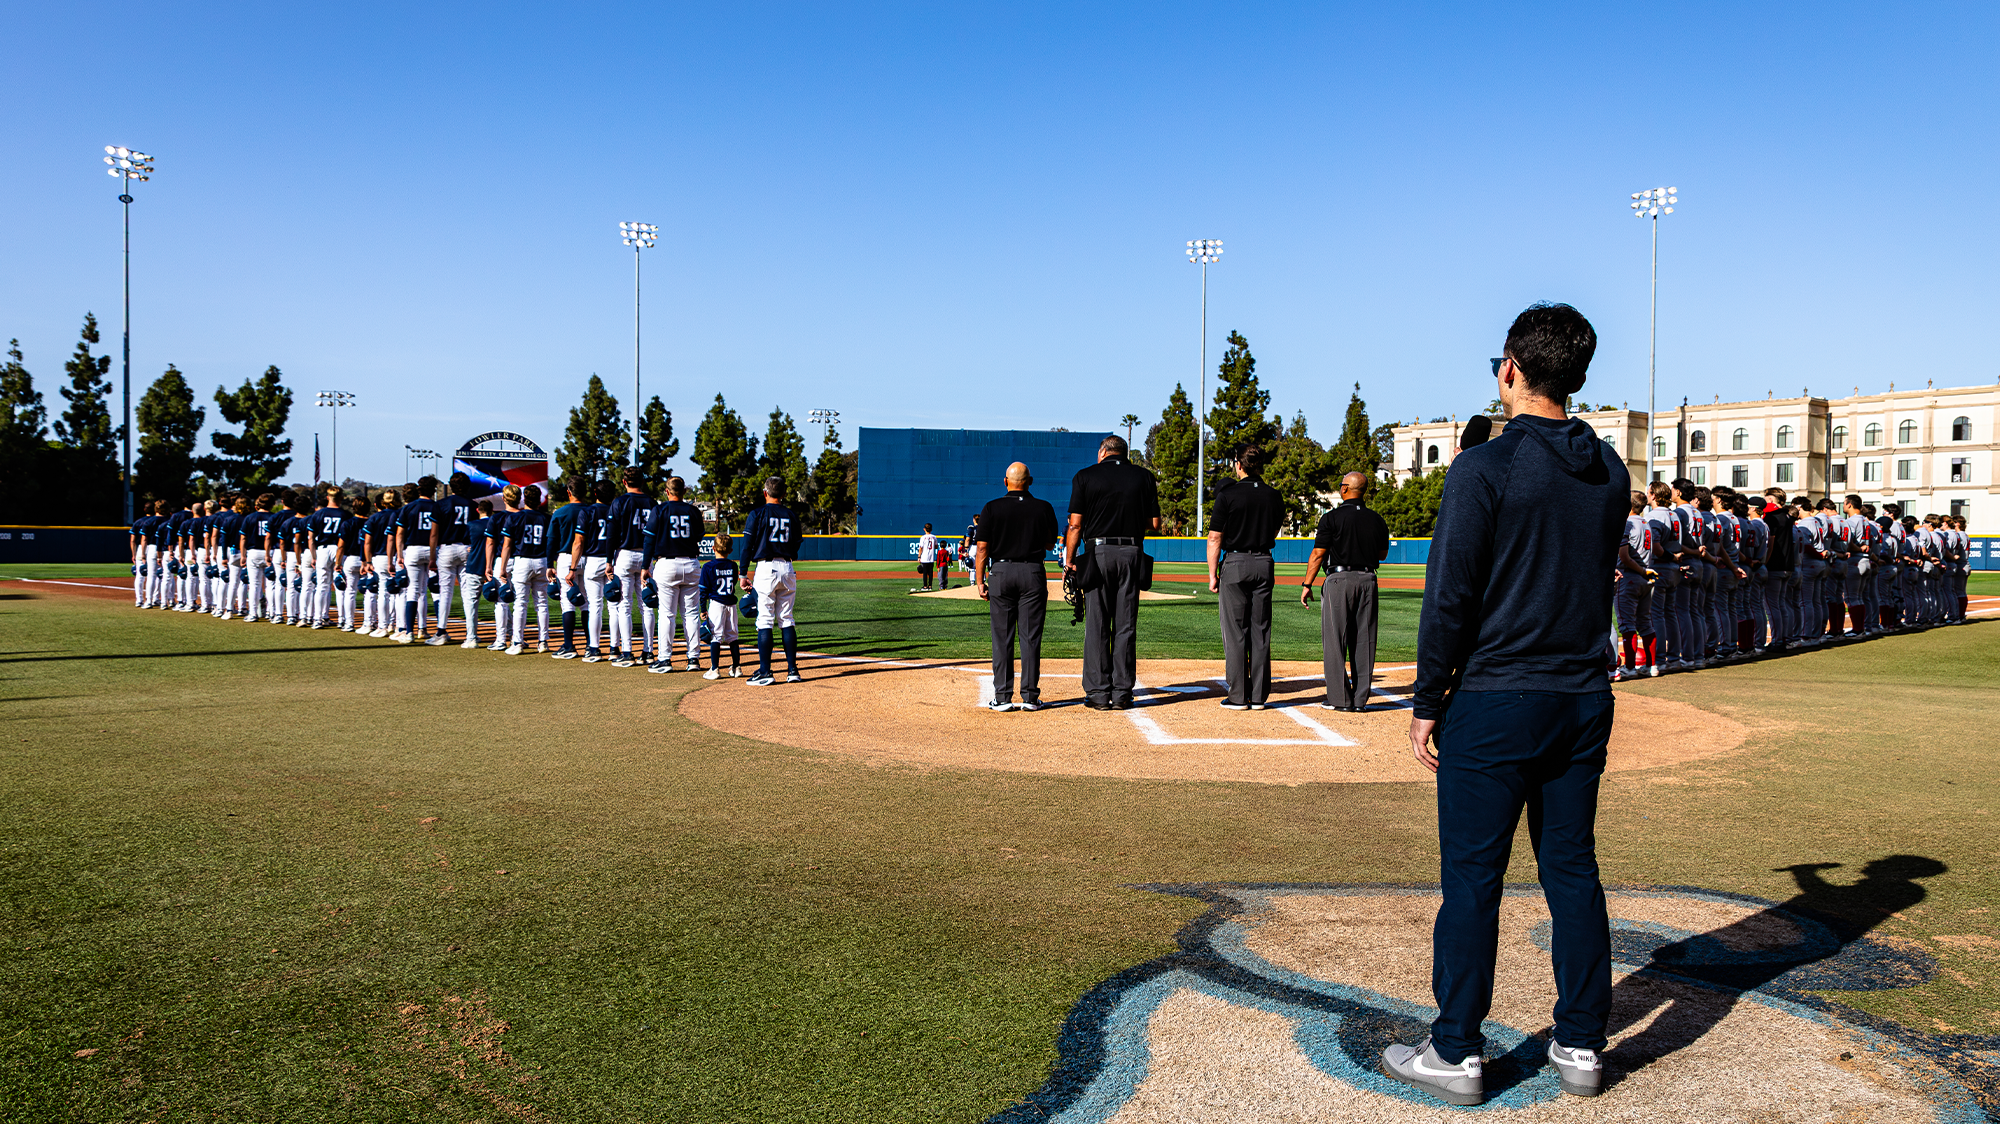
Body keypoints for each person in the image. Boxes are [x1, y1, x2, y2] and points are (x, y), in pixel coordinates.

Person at [1386, 303, 1627, 1107]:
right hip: (1582, 697)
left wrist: (1427, 700)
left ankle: (1454, 1050)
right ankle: (1584, 1041)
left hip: (1497, 696)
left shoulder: (1483, 468)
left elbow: (1449, 598)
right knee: (1572, 869)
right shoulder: (1612, 471)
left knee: (1474, 880)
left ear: (1510, 371)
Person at [1062, 435, 1161, 711]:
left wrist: (1069, 560)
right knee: (1126, 624)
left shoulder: (1085, 476)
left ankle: (1097, 692)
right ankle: (1121, 693)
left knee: (1097, 623)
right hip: (1131, 551)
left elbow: (1075, 525)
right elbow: (1154, 522)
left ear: (1103, 452)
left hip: (1098, 552)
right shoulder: (1144, 477)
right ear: (1124, 453)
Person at [1202, 445, 1288, 710]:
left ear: (1238, 465)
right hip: (1264, 561)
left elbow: (1215, 537)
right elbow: (1274, 529)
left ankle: (1238, 696)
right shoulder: (1274, 495)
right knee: (1260, 631)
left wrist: (1212, 574)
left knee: (1236, 631)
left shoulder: (1227, 495)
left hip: (1236, 562)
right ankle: (1259, 696)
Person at [1299, 471, 1392, 707]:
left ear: (1344, 490)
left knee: (1335, 639)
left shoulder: (1331, 518)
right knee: (1365, 638)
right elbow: (1383, 554)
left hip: (1339, 580)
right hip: (1368, 579)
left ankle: (1340, 698)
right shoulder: (1377, 519)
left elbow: (1318, 553)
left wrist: (1307, 584)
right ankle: (1360, 698)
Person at [975, 461, 1058, 711]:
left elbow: (982, 549)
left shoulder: (991, 508)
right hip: (1032, 570)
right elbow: (1049, 545)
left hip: (1001, 571)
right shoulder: (1044, 508)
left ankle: (1002, 697)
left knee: (1002, 637)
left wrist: (980, 581)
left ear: (1005, 481)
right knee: (1030, 637)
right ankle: (1030, 697)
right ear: (1030, 482)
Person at [741, 476, 803, 685]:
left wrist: (742, 574)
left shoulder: (757, 514)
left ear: (765, 492)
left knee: (765, 620)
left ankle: (765, 672)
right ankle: (793, 671)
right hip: (787, 567)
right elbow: (797, 544)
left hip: (766, 568)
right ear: (784, 494)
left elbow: (747, 546)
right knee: (786, 619)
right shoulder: (791, 515)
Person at [643, 475, 706, 673]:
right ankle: (693, 659)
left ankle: (664, 659)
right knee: (691, 613)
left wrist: (645, 567)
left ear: (667, 492)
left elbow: (649, 541)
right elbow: (699, 535)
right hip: (690, 562)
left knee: (667, 614)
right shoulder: (693, 510)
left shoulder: (659, 509)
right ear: (684, 491)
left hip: (667, 564)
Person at [603, 466, 657, 667]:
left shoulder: (619, 502)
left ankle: (627, 652)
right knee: (647, 605)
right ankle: (648, 652)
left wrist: (609, 561)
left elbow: (611, 535)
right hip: (646, 556)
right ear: (642, 481)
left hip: (625, 555)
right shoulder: (651, 502)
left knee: (624, 605)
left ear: (624, 482)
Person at [564, 479, 615, 662]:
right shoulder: (615, 510)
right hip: (613, 560)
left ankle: (594, 648)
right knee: (615, 607)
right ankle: (615, 648)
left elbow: (578, 542)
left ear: (595, 493)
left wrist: (572, 568)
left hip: (593, 560)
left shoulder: (588, 511)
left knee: (595, 606)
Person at [499, 484, 553, 655]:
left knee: (520, 604)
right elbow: (552, 544)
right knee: (542, 603)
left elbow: (507, 545)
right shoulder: (547, 518)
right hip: (542, 561)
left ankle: (517, 642)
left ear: (524, 499)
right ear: (540, 500)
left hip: (522, 561)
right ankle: (543, 642)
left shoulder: (515, 517)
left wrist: (502, 567)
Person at [1611, 490, 1655, 679]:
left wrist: (1641, 570)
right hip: (1646, 578)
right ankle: (1652, 666)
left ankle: (1629, 666)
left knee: (1626, 624)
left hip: (1631, 576)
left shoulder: (1627, 524)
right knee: (1645, 623)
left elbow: (1624, 557)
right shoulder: (1646, 523)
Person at [393, 475, 440, 643]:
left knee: (412, 591)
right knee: (435, 591)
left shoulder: (409, 508)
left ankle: (409, 632)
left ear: (419, 489)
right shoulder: (438, 506)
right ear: (434, 490)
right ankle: (434, 631)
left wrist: (399, 555)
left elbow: (399, 534)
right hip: (433, 550)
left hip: (412, 549)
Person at [546, 479, 588, 659]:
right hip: (589, 557)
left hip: (566, 558)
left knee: (567, 602)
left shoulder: (560, 512)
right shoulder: (590, 510)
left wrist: (549, 564)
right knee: (588, 602)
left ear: (569, 492)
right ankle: (590, 645)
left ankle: (569, 646)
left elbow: (551, 541)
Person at [699, 532, 744, 679]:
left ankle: (715, 669)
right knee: (733, 636)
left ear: (713, 548)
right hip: (731, 604)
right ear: (730, 550)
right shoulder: (733, 565)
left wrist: (703, 609)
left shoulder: (707, 567)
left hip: (716, 604)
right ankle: (737, 668)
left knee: (716, 636)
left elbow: (703, 591)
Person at [361, 489, 401, 637]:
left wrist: (367, 560)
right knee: (399, 593)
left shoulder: (375, 517)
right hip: (399, 556)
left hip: (380, 557)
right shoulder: (401, 514)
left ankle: (383, 626)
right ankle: (395, 626)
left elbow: (367, 542)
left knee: (383, 593)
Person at [916, 524, 938, 591]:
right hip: (931, 557)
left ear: (924, 529)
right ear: (931, 529)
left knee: (925, 573)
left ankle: (925, 586)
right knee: (930, 573)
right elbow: (936, 546)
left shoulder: (923, 537)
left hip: (924, 557)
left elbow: (921, 548)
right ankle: (930, 586)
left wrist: (919, 556)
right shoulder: (934, 537)